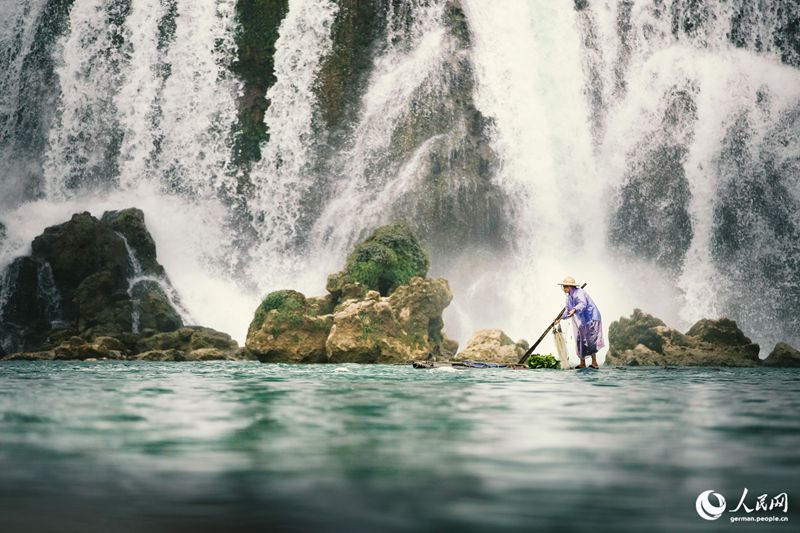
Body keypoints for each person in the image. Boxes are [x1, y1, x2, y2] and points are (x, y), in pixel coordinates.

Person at [558, 276, 604, 369]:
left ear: (569, 287)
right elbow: (568, 311)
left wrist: (574, 309)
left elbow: (583, 304)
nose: (563, 289)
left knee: (590, 340)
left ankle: (594, 362)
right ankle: (582, 362)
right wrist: (559, 318)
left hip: (591, 318)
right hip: (582, 321)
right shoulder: (569, 297)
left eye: (564, 286)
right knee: (580, 339)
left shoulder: (579, 292)